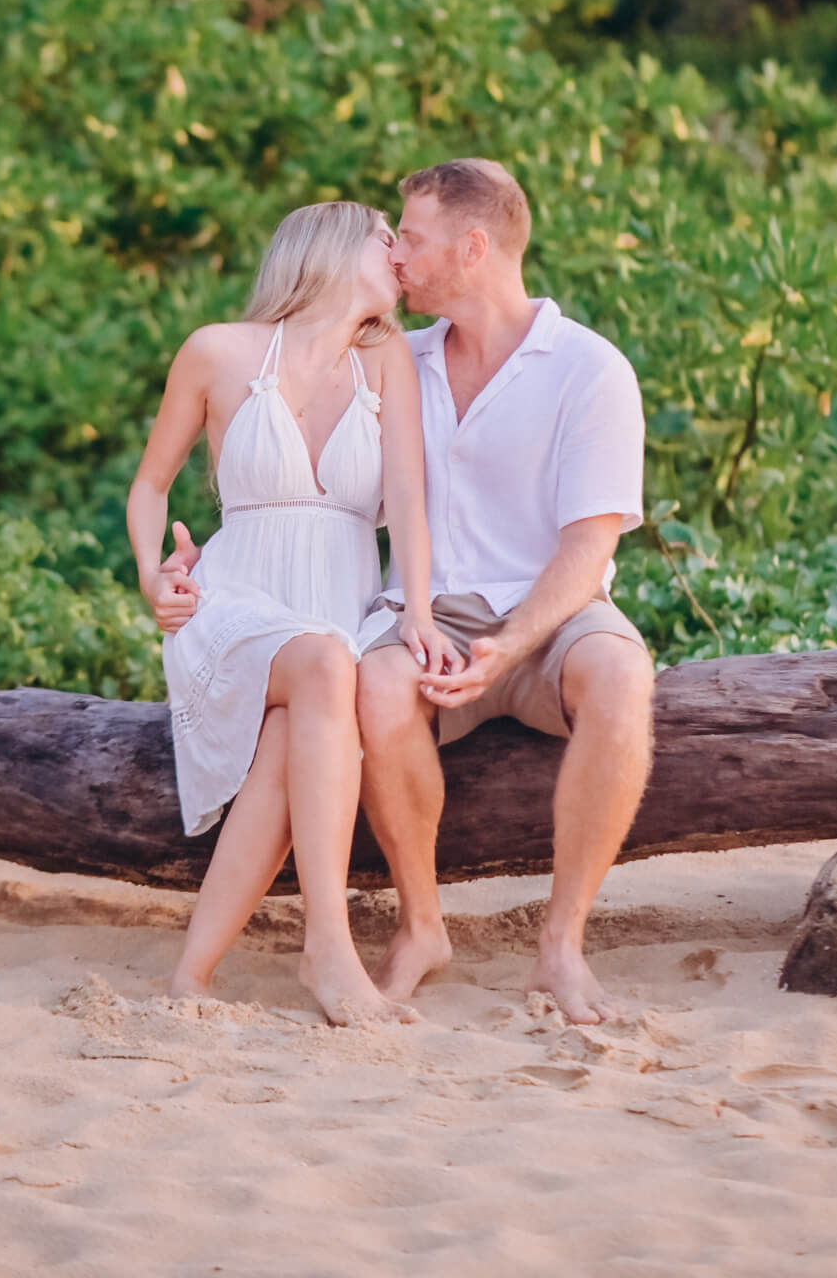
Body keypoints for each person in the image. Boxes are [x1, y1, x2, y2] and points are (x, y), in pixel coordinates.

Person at [127, 201, 457, 1025]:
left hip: (337, 607)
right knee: (322, 664)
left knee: (297, 731)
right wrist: (150, 576)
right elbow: (148, 486)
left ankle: (190, 977)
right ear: (334, 247)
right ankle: (329, 949)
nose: (403, 257)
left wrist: (415, 609)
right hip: (235, 602)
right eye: (390, 239)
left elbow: (410, 499)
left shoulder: (385, 363)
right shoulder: (217, 351)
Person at [356, 158, 653, 1024]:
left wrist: (512, 642)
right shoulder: (390, 359)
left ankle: (560, 945)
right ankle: (421, 928)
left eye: (410, 237)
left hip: (552, 615)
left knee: (622, 677)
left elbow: (586, 544)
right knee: (375, 684)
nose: (396, 256)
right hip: (426, 606)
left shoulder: (589, 370)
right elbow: (309, 476)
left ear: (472, 246)